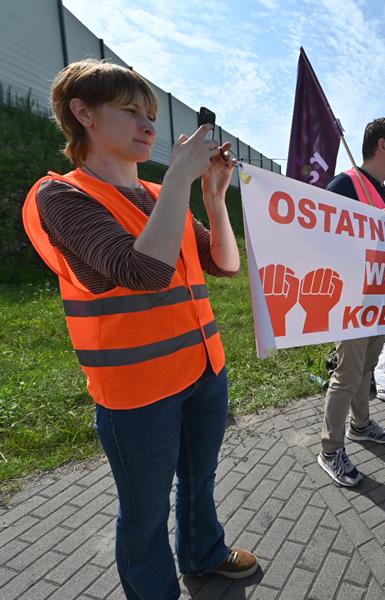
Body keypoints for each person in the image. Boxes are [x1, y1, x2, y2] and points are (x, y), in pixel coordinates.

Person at [22, 60, 256, 599]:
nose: (148, 125)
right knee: (145, 513)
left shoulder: (157, 194)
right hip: (137, 391)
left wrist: (214, 198)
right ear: (82, 114)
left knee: (199, 483)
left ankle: (203, 552)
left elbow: (223, 265)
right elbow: (144, 272)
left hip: (203, 370)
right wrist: (178, 177)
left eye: (150, 114)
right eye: (130, 111)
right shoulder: (61, 197)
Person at [318, 118, 385, 487]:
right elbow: (323, 237)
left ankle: (360, 425)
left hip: (377, 298)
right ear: (382, 146)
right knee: (346, 374)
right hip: (351, 299)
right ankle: (330, 450)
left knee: (366, 368)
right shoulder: (345, 184)